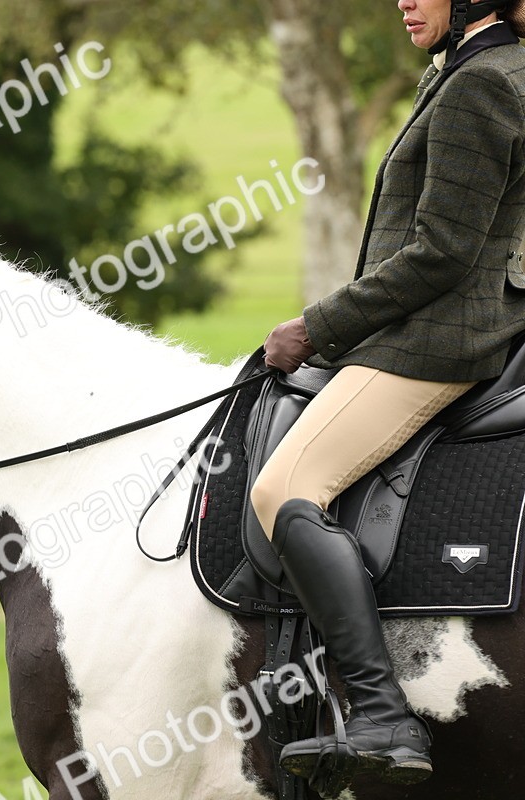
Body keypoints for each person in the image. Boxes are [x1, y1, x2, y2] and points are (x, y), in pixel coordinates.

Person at [251, 0, 525, 788]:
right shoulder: (477, 69)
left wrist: (317, 327)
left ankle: (380, 713)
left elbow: (440, 252)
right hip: (449, 325)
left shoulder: (481, 83)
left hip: (438, 340)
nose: (404, 0)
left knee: (284, 487)